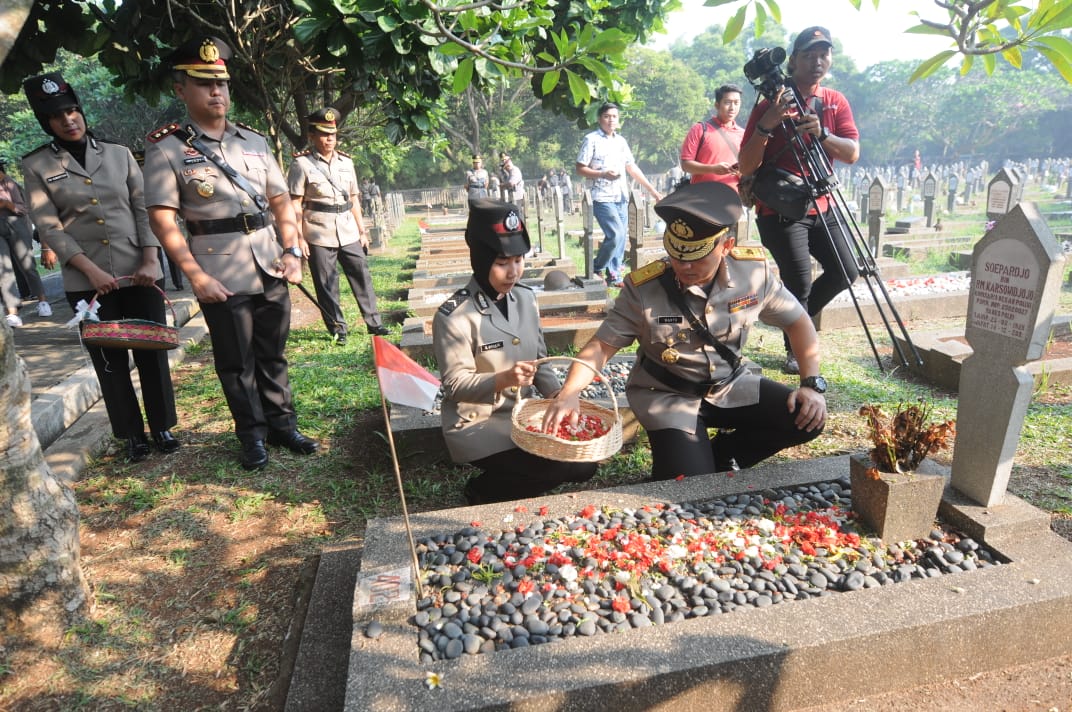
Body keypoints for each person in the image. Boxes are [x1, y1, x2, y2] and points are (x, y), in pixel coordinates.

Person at [543, 182, 827, 480]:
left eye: (697, 256)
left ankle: (726, 453)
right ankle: (694, 461)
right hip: (668, 394)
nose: (685, 265)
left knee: (807, 417)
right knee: (688, 483)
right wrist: (569, 392)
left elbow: (798, 322)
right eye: (677, 255)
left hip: (729, 384)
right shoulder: (644, 289)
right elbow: (601, 346)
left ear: (726, 246)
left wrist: (811, 383)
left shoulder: (752, 274)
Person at [143, 36, 318, 470]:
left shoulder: (254, 143)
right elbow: (163, 219)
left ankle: (282, 425)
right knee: (236, 361)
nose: (216, 91)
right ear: (181, 89)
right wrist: (195, 276)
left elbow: (280, 201)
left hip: (269, 262)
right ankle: (252, 435)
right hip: (219, 269)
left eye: (221, 82)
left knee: (273, 352)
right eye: (204, 84)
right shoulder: (166, 149)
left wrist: (293, 250)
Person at [21, 72, 179, 462]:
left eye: (73, 110)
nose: (69, 119)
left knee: (152, 351)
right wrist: (90, 271)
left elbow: (143, 207)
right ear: (47, 122)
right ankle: (132, 436)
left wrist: (149, 257)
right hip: (86, 281)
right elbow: (48, 226)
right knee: (109, 360)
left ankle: (161, 427)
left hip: (138, 269)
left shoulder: (119, 153)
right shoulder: (38, 165)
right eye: (59, 115)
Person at [433, 198, 597, 504]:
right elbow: (454, 386)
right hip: (480, 423)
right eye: (502, 263)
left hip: (525, 416)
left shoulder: (525, 299)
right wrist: (503, 378)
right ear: (480, 260)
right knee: (551, 472)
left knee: (584, 466)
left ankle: (511, 478)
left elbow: (542, 361)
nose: (513, 272)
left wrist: (559, 398)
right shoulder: (454, 315)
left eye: (519, 261)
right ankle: (483, 490)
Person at [738, 26, 860, 375]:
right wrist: (769, 122)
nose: (817, 61)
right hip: (779, 209)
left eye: (823, 54)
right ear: (793, 60)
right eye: (809, 55)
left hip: (821, 200)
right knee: (800, 281)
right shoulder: (768, 104)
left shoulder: (835, 101)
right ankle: (798, 349)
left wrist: (822, 134)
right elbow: (746, 165)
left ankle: (792, 317)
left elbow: (852, 152)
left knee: (846, 270)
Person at [287, 107, 389, 344]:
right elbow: (295, 203)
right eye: (323, 134)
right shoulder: (301, 165)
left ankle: (374, 323)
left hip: (348, 229)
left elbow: (353, 198)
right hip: (318, 231)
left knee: (361, 276)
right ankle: (337, 328)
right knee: (326, 282)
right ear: (312, 136)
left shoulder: (346, 162)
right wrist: (299, 238)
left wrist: (362, 230)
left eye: (332, 134)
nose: (329, 139)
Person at [575, 101, 662, 288]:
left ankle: (614, 275)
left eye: (614, 116)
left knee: (622, 237)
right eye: (606, 116)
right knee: (615, 233)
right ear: (599, 119)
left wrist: (652, 190)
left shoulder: (621, 142)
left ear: (618, 119)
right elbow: (580, 168)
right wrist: (602, 174)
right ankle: (597, 267)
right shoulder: (591, 140)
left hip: (620, 195)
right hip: (600, 196)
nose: (610, 120)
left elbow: (632, 167)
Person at [0, 157, 52, 327]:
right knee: (3, 269)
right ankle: (12, 312)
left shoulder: (9, 183)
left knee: (27, 265)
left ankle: (42, 302)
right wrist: (5, 204)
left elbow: (21, 208)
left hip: (17, 225)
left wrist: (8, 204)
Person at [679, 84, 744, 190]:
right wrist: (713, 169)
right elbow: (686, 165)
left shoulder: (743, 134)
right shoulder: (699, 129)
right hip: (702, 198)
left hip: (733, 199)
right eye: (727, 102)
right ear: (717, 105)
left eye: (736, 103)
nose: (732, 107)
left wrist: (742, 173)